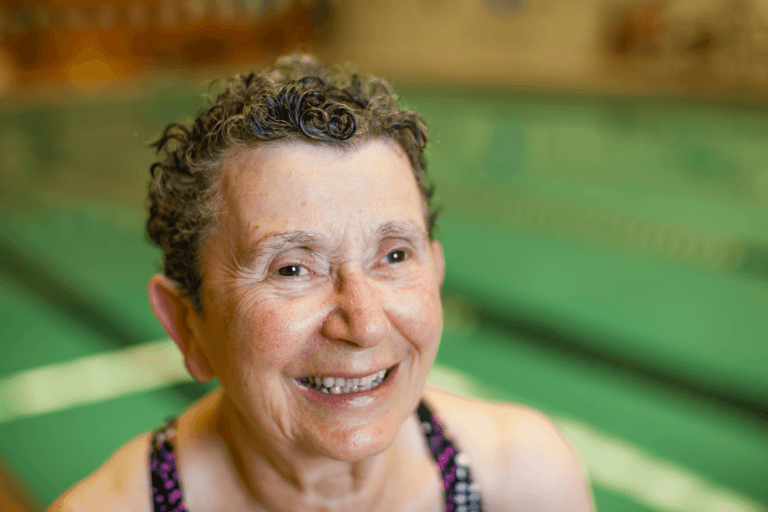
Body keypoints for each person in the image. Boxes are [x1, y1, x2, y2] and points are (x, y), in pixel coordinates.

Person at [47, 54, 593, 512]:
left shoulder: (524, 481)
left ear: (437, 271)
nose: (365, 323)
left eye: (395, 255)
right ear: (187, 324)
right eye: (291, 269)